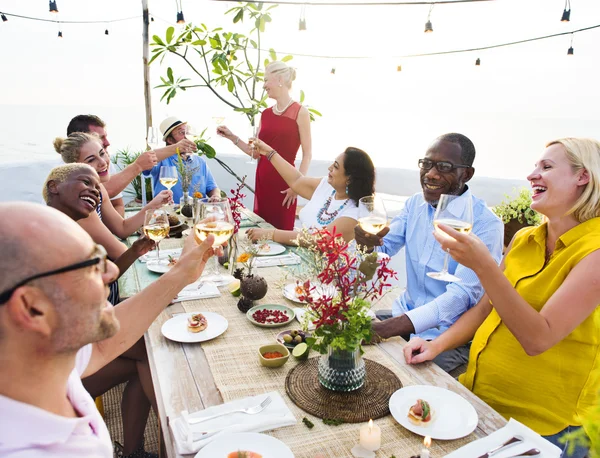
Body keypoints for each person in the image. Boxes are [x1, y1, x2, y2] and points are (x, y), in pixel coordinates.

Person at [402, 138, 600, 457]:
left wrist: (483, 265)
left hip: (544, 429)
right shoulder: (524, 238)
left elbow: (538, 338)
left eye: (546, 167)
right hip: (479, 400)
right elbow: (485, 309)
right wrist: (437, 344)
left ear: (583, 176)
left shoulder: (595, 252)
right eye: (535, 166)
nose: (532, 175)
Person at [0, 201, 220, 457]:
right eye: (91, 264)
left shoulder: (38, 361)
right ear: (32, 307)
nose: (112, 270)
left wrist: (183, 272)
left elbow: (103, 346)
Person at [355, 133, 503, 374]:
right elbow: (384, 247)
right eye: (426, 164)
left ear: (467, 174)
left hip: (446, 339)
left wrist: (386, 329)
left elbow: (461, 296)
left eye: (444, 167)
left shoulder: (486, 224)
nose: (431, 174)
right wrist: (368, 243)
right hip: (403, 315)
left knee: (405, 388)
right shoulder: (415, 203)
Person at [42, 163, 158, 458]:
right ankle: (176, 432)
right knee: (151, 352)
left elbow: (104, 278)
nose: (96, 191)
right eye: (86, 182)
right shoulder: (45, 238)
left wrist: (134, 251)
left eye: (98, 187)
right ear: (54, 186)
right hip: (56, 371)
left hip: (76, 350)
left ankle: (133, 451)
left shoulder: (71, 231)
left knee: (144, 362)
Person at [217, 61, 312, 230]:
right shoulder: (266, 114)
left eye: (267, 80)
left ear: (280, 80)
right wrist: (232, 137)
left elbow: (307, 154)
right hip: (263, 182)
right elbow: (255, 153)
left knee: (281, 233)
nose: (264, 85)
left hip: (285, 184)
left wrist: (297, 186)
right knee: (261, 233)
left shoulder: (300, 112)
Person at [54, 132, 171, 262]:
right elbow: (120, 252)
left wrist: (154, 204)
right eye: (91, 160)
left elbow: (122, 228)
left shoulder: (97, 188)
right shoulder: (79, 201)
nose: (103, 162)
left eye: (102, 153)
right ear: (75, 167)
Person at [67, 114, 197, 216]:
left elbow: (117, 205)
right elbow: (107, 190)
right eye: (100, 138)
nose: (107, 142)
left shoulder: (104, 162)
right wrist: (137, 166)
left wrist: (112, 230)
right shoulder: (67, 177)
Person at [246, 144, 375, 245]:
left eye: (336, 167)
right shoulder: (327, 186)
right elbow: (296, 181)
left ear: (350, 179)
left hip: (332, 274)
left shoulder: (356, 212)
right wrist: (269, 152)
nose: (329, 168)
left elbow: (319, 240)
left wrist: (271, 234)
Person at [143, 117, 221, 203]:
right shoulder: (161, 160)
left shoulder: (200, 162)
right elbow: (145, 160)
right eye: (181, 133)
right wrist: (175, 148)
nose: (187, 136)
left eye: (187, 132)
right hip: (167, 213)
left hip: (196, 212)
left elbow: (212, 187)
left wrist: (216, 196)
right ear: (170, 140)